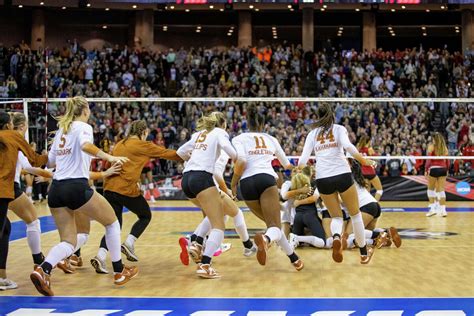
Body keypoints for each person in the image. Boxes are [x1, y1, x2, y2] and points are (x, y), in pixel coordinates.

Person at [30, 96, 138, 297]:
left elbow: (51, 162)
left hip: (56, 190)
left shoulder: (62, 130)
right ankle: (119, 271)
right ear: (85, 110)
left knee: (69, 242)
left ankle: (43, 269)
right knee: (112, 223)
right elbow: (85, 146)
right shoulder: (82, 127)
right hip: (76, 186)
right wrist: (109, 156)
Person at [90, 120, 183, 274]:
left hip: (109, 188)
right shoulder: (142, 144)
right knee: (145, 215)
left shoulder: (120, 143)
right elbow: (167, 153)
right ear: (143, 132)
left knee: (114, 226)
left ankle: (100, 256)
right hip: (125, 189)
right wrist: (189, 155)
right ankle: (129, 243)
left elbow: (125, 166)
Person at [298, 103, 377, 264]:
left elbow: (302, 161)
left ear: (318, 117)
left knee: (336, 217)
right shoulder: (339, 129)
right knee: (355, 216)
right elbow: (348, 147)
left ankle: (335, 237)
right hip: (342, 174)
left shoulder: (312, 134)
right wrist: (363, 160)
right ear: (332, 115)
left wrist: (304, 172)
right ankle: (363, 253)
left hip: (323, 178)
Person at [231, 104, 303, 271]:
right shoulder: (271, 139)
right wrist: (301, 169)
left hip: (246, 184)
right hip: (266, 179)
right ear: (263, 125)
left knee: (273, 226)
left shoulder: (238, 138)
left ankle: (294, 259)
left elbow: (240, 162)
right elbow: (286, 165)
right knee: (275, 227)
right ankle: (266, 240)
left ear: (247, 124)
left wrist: (233, 183)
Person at [176, 112, 237, 279]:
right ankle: (205, 265)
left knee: (212, 215)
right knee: (219, 225)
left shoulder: (198, 134)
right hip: (202, 177)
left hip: (186, 179)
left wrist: (193, 157)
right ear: (223, 124)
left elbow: (180, 152)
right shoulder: (219, 132)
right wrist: (238, 158)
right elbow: (229, 151)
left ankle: (195, 242)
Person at [178, 150, 256, 267]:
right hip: (205, 182)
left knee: (217, 214)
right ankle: (248, 246)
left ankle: (199, 241)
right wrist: (227, 190)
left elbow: (182, 153)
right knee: (236, 213)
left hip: (187, 181)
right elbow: (217, 173)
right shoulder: (221, 147)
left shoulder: (201, 141)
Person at [0, 111, 48, 291]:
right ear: (8, 126)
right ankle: (38, 261)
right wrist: (53, 158)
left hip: (7, 189)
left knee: (5, 229)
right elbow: (33, 162)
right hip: (5, 189)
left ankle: (3, 276)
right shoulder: (13, 136)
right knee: (29, 221)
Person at [343, 158, 402, 250]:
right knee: (365, 234)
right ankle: (381, 237)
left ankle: (383, 234)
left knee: (349, 236)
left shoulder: (343, 178)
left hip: (365, 207)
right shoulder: (356, 176)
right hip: (373, 205)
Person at [288, 172, 328, 250]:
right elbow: (313, 198)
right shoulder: (313, 184)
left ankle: (294, 238)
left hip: (298, 217)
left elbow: (283, 196)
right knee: (322, 242)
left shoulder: (292, 188)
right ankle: (297, 238)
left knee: (299, 244)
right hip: (309, 216)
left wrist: (297, 200)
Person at [425, 133, 449, 217]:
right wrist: (447, 169)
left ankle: (432, 209)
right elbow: (447, 161)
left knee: (430, 189)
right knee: (441, 190)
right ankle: (443, 210)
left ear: (434, 139)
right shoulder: (444, 148)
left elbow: (428, 160)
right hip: (443, 169)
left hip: (434, 169)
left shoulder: (431, 146)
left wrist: (426, 169)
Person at [357, 135, 383, 201]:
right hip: (370, 172)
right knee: (379, 190)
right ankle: (375, 204)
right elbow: (377, 158)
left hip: (361, 172)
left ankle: (366, 205)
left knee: (366, 192)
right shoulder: (369, 149)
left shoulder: (358, 149)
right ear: (368, 141)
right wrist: (378, 152)